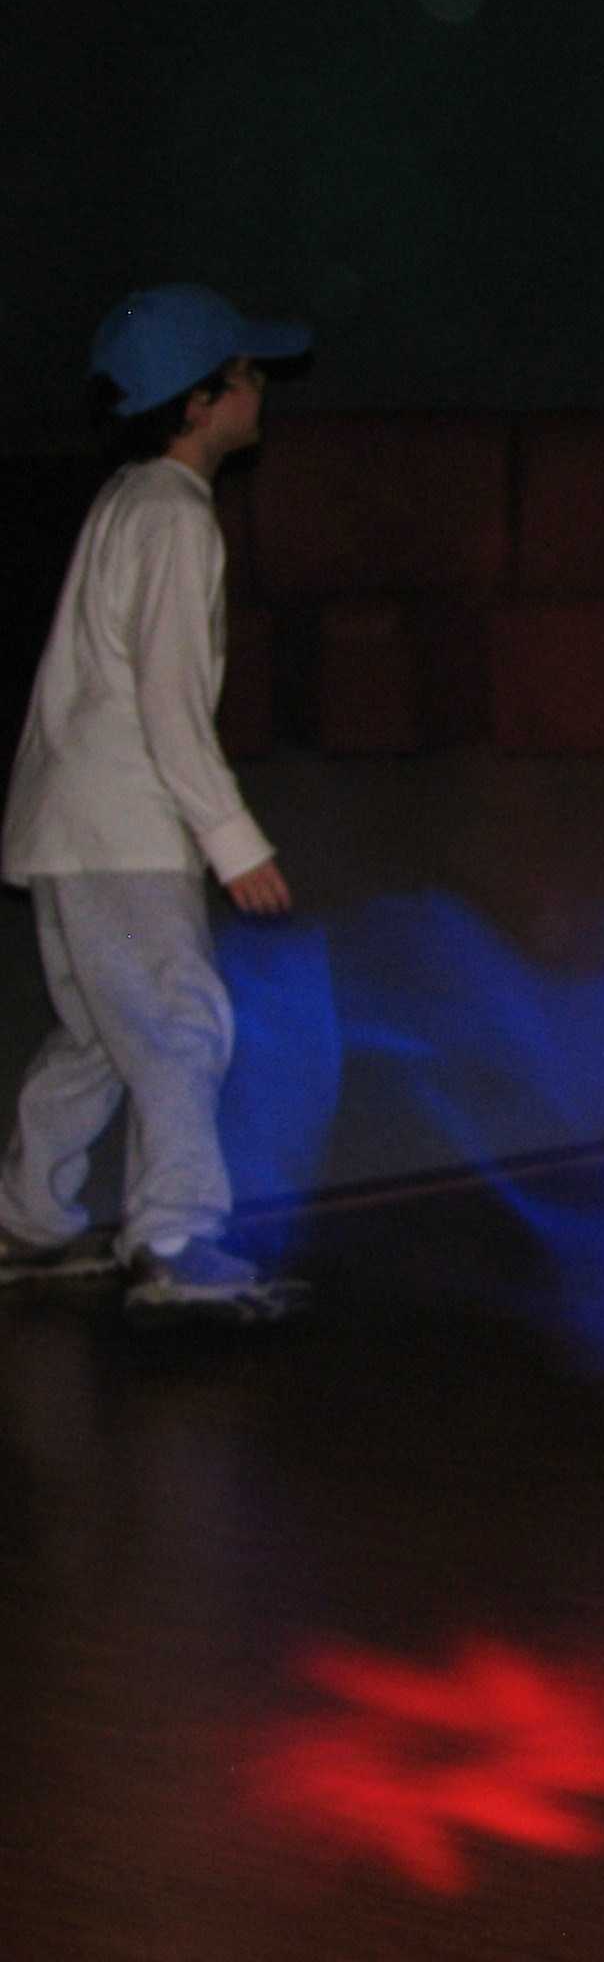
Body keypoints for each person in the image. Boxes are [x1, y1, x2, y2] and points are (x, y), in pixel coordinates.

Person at [0, 285, 308, 1320]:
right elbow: (168, 701)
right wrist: (233, 841)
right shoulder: (175, 519)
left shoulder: (127, 499)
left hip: (68, 826)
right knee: (179, 1027)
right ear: (198, 400)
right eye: (246, 374)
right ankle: (174, 1239)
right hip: (125, 830)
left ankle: (26, 1222)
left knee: (99, 1038)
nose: (260, 389)